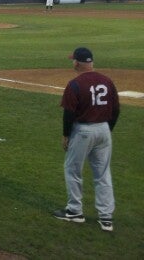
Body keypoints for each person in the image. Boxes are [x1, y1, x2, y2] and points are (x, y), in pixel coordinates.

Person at [54, 47, 120, 232]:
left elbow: (69, 113)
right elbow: (116, 111)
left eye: (73, 60)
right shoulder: (107, 81)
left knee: (73, 170)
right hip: (104, 130)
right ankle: (106, 218)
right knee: (103, 173)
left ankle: (75, 211)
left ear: (77, 62)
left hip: (83, 131)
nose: (72, 62)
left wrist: (66, 135)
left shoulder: (75, 84)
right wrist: (108, 129)